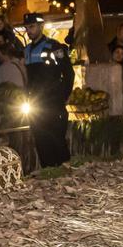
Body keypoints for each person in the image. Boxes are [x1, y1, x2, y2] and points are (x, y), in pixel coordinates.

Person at [24, 12, 74, 167]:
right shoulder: (26, 50)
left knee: (57, 140)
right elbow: (29, 78)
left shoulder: (55, 47)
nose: (29, 30)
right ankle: (48, 174)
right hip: (35, 104)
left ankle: (65, 174)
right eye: (27, 27)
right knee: (40, 141)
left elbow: (68, 73)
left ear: (41, 26)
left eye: (32, 26)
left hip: (53, 103)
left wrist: (63, 96)